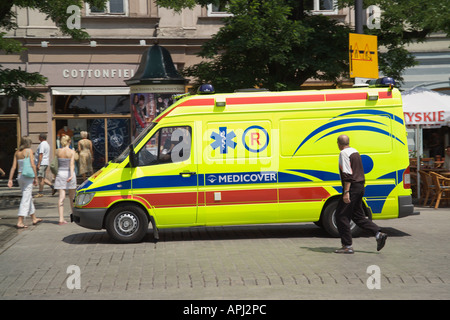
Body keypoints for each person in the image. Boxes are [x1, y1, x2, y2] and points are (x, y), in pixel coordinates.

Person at [334, 134, 387, 254]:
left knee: (341, 216)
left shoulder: (343, 153)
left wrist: (346, 192)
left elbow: (347, 174)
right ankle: (378, 234)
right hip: (359, 186)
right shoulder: (355, 152)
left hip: (351, 188)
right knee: (358, 216)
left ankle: (347, 246)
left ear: (338, 143)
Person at [7, 136, 43, 228]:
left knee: (28, 197)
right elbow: (32, 165)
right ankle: (20, 221)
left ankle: (34, 218)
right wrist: (35, 177)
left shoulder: (17, 153)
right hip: (28, 177)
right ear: (28, 143)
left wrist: (10, 179)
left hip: (20, 176)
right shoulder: (28, 151)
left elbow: (13, 167)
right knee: (26, 198)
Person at [54, 135, 77, 225]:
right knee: (71, 197)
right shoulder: (71, 152)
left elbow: (55, 163)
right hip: (68, 174)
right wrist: (71, 175)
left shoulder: (58, 151)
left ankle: (61, 219)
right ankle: (74, 216)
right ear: (69, 141)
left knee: (61, 198)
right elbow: (72, 165)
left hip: (60, 174)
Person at [34, 133, 55, 197]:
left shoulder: (42, 144)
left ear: (41, 138)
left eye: (39, 137)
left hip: (42, 163)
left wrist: (38, 164)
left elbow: (41, 154)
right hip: (45, 162)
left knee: (40, 178)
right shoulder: (47, 144)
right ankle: (52, 186)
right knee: (42, 177)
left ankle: (40, 192)